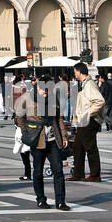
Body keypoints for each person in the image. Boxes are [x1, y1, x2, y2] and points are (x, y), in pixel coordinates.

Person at [14, 79, 70, 210]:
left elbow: (59, 118)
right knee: (38, 172)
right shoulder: (27, 99)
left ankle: (60, 201)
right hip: (37, 140)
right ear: (37, 89)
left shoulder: (53, 99)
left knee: (58, 170)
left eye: (47, 91)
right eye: (42, 91)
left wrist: (64, 136)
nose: (45, 94)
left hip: (53, 140)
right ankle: (40, 199)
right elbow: (19, 116)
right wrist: (25, 131)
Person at [68, 62, 104, 182]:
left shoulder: (89, 85)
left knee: (90, 146)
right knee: (78, 146)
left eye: (75, 71)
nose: (74, 73)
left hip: (90, 120)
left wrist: (87, 113)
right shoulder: (84, 84)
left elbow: (99, 101)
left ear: (79, 71)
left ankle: (95, 175)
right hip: (84, 120)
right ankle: (78, 173)